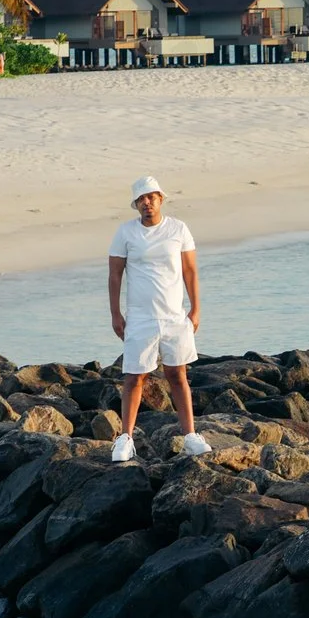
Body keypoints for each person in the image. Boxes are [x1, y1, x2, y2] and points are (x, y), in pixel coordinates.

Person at [107, 176, 210, 463]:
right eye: (141, 199)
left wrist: (196, 309)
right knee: (133, 378)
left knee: (178, 375)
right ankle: (125, 438)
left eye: (151, 197)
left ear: (161, 199)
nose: (146, 202)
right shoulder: (125, 233)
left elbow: (190, 271)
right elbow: (115, 275)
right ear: (136, 204)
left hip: (174, 317)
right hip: (139, 319)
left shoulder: (178, 229)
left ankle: (190, 435)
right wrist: (116, 313)